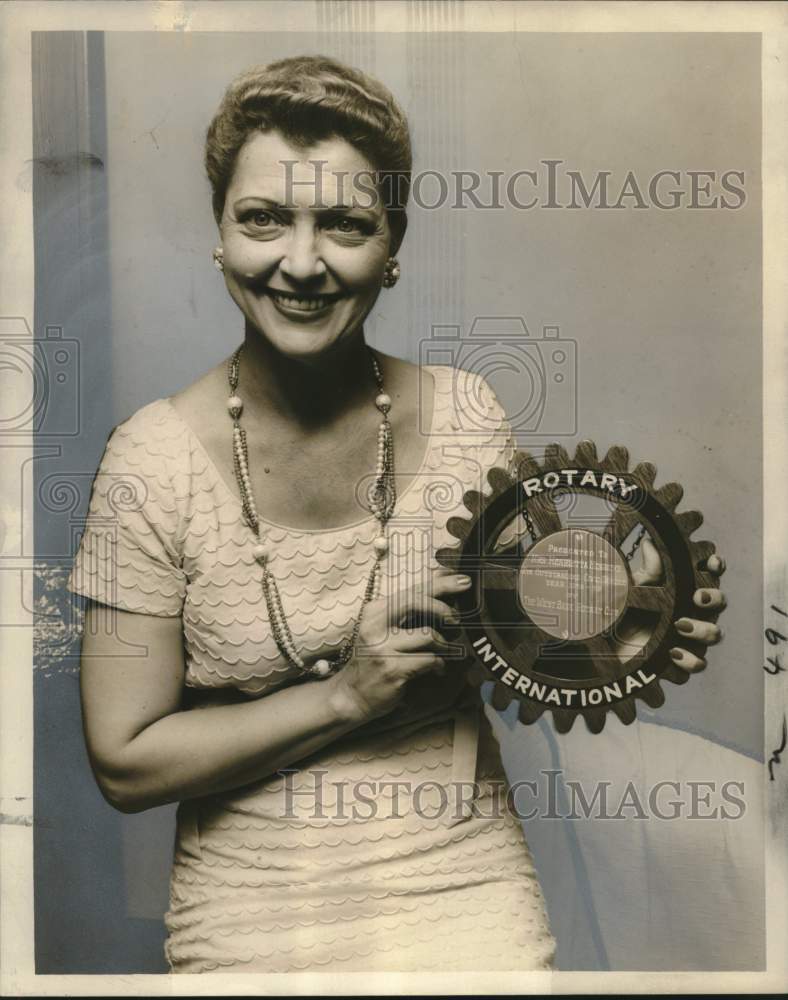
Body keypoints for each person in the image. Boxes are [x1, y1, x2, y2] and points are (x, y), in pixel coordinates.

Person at [68, 55, 726, 974]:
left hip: (460, 876)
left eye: (344, 224)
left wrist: (622, 629)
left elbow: (512, 641)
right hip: (252, 898)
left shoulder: (467, 417)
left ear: (393, 246)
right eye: (264, 219)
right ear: (219, 233)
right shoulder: (150, 461)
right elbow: (125, 762)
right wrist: (345, 696)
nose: (300, 263)